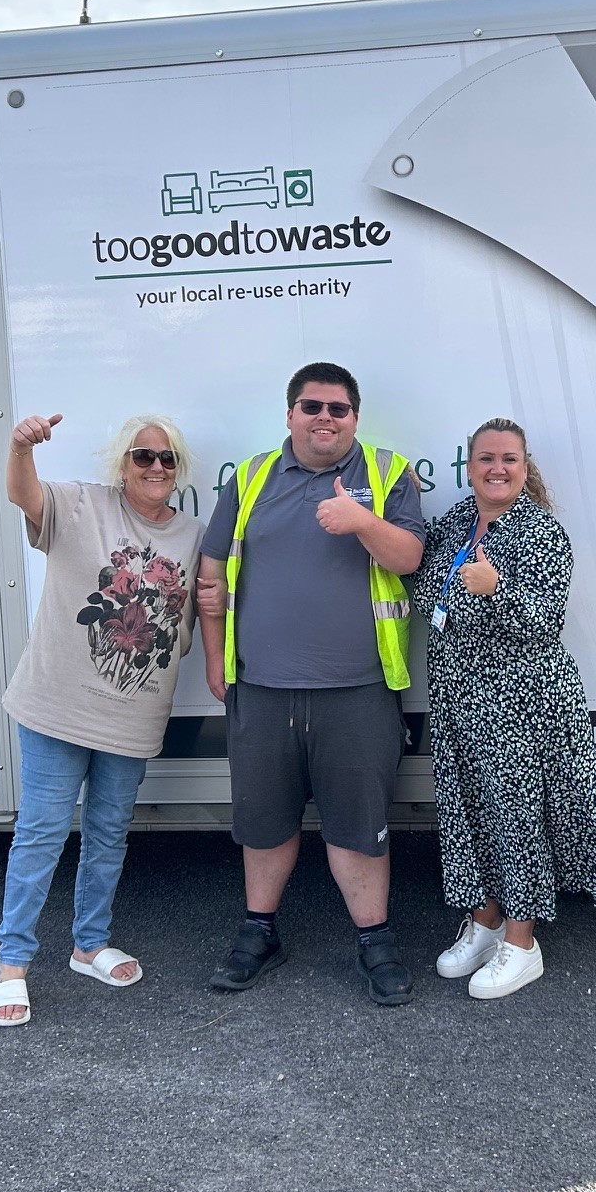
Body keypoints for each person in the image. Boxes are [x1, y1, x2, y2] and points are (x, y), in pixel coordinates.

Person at [194, 362, 425, 1005]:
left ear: (356, 415)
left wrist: (360, 522)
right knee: (263, 823)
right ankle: (258, 933)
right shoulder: (249, 478)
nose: (325, 418)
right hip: (262, 688)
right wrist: (216, 660)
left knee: (359, 825)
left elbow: (408, 558)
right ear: (289, 413)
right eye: (311, 406)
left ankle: (375, 941)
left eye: (338, 408)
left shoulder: (387, 474)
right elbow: (211, 582)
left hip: (357, 689)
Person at [0, 410, 205, 1028]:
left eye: (167, 460)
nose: (156, 468)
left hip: (132, 717)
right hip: (57, 706)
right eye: (143, 457)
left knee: (108, 836)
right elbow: (22, 495)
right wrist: (21, 447)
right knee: (42, 835)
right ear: (123, 464)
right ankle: (11, 965)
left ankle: (89, 945)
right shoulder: (81, 505)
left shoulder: (192, 534)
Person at [419, 417, 596, 999]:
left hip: (522, 700)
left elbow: (545, 619)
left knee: (516, 818)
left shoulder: (541, 531)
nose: (497, 468)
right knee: (469, 813)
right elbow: (418, 577)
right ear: (469, 465)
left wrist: (496, 589)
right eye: (486, 458)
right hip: (459, 697)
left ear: (524, 464)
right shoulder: (455, 523)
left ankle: (522, 942)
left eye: (509, 458)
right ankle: (484, 923)